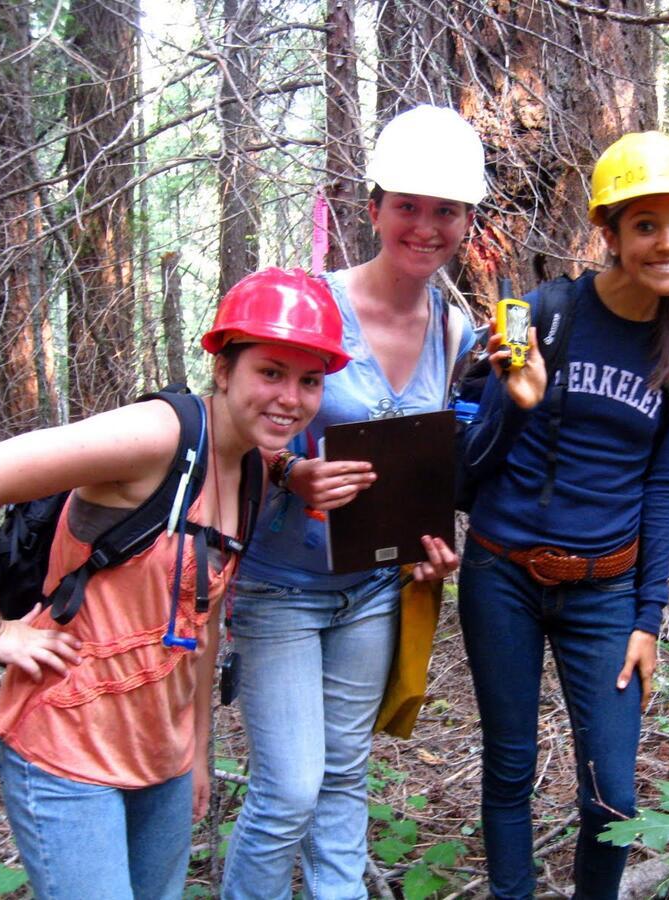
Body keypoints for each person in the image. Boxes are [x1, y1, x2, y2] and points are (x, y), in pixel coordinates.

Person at [0, 266, 346, 900]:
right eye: (270, 372)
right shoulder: (159, 435)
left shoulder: (256, 472)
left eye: (309, 381)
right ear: (224, 368)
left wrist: (197, 750)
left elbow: (202, 619)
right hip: (67, 749)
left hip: (163, 756)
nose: (290, 397)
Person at [221, 104, 480, 899]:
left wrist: (437, 545)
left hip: (375, 591)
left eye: (445, 211)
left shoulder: (455, 329)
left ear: (468, 221)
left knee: (342, 776)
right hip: (279, 588)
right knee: (288, 788)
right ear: (373, 208)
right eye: (407, 205)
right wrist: (287, 472)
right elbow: (226, 426)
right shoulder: (306, 303)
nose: (425, 227)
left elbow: (441, 459)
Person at [458, 131, 669, 899]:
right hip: (502, 574)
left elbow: (667, 484)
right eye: (645, 225)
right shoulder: (549, 312)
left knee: (614, 796)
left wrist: (649, 617)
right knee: (508, 767)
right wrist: (516, 398)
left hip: (605, 594)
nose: (667, 243)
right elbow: (471, 464)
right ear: (607, 233)